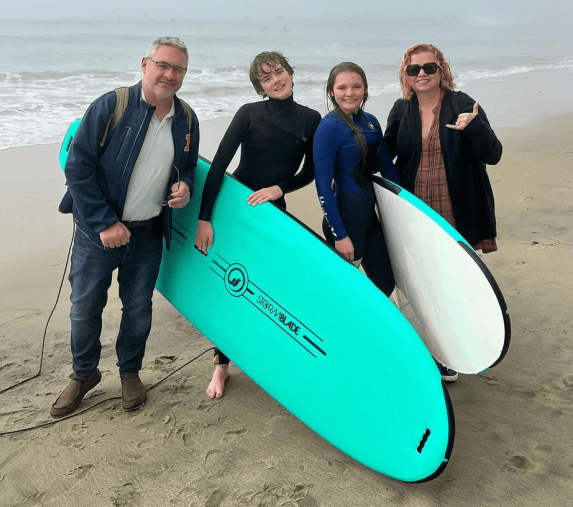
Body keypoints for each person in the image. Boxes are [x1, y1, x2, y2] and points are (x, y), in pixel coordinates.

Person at [52, 36, 200, 417]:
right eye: (162, 65)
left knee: (138, 309)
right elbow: (77, 168)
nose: (169, 74)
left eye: (178, 68)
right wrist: (105, 222)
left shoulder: (185, 117)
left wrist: (183, 186)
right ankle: (84, 374)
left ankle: (130, 372)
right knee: (85, 309)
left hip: (148, 232)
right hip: (98, 234)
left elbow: (186, 166)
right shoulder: (111, 105)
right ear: (145, 64)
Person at [194, 51, 321, 399]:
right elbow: (220, 163)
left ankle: (266, 352)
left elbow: (310, 172)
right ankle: (221, 366)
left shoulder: (311, 120)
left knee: (268, 288)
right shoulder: (249, 114)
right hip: (235, 208)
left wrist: (279, 188)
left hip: (271, 211)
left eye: (279, 72)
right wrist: (205, 217)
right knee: (231, 284)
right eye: (266, 78)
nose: (275, 80)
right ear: (260, 87)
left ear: (291, 74)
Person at [384, 43, 503, 382]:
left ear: (442, 71)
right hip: (413, 207)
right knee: (423, 280)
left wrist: (474, 126)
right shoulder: (401, 109)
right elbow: (385, 155)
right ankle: (437, 347)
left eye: (429, 68)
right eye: (414, 69)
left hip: (454, 206)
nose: (421, 74)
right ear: (406, 76)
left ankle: (453, 351)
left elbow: (493, 154)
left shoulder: (462, 103)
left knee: (451, 279)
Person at [313, 62, 398, 297]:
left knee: (385, 283)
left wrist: (407, 205)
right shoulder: (328, 127)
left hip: (368, 216)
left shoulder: (371, 122)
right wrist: (340, 236)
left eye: (356, 87)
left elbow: (388, 169)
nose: (349, 93)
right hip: (346, 218)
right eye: (342, 88)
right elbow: (322, 186)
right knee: (343, 290)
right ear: (331, 91)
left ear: (365, 89)